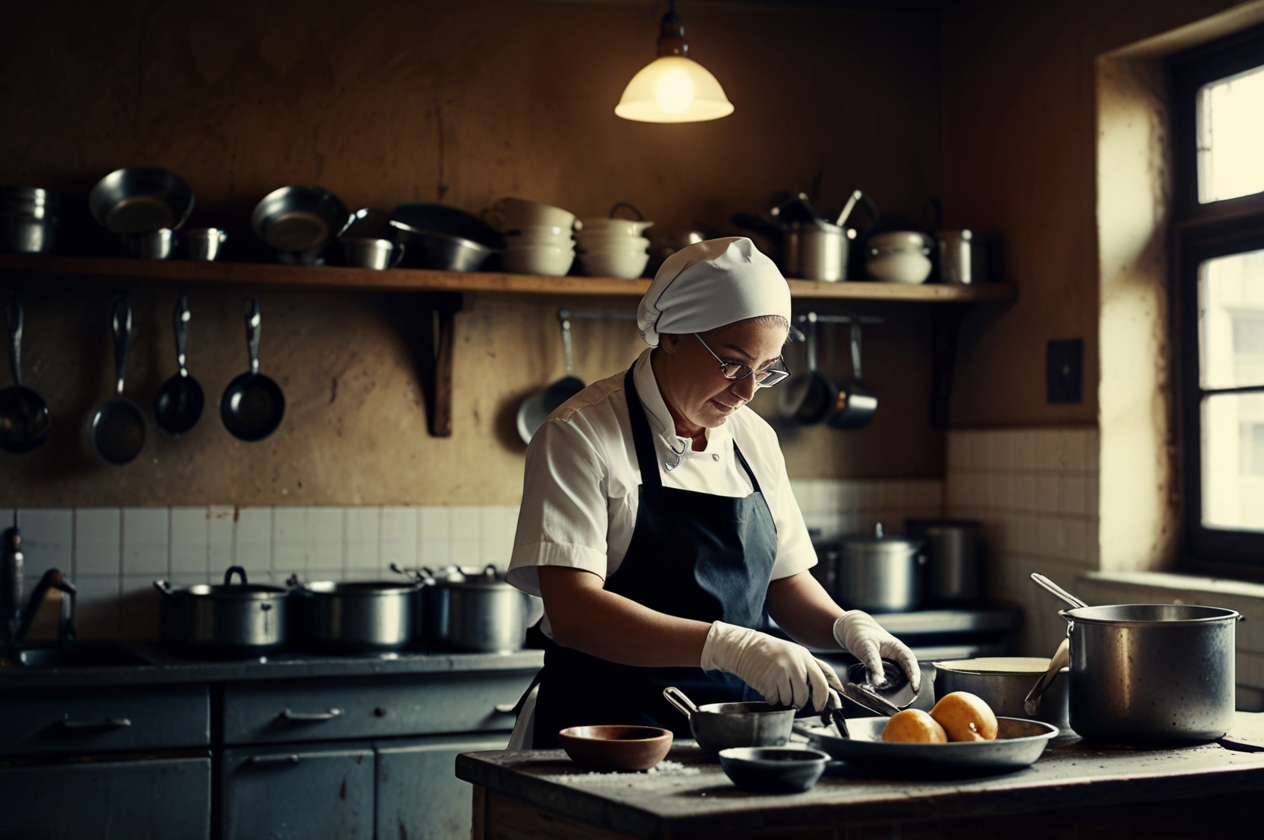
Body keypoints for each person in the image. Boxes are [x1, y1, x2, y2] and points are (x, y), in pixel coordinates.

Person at [506, 237, 919, 749]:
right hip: (605, 736)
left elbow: (784, 582)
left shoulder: (755, 438)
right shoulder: (579, 434)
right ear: (673, 336)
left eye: (766, 370)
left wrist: (847, 628)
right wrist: (730, 645)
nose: (747, 392)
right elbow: (574, 613)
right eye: (733, 364)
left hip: (736, 738)